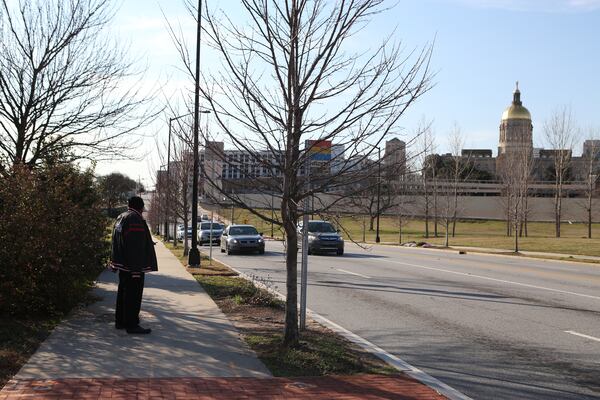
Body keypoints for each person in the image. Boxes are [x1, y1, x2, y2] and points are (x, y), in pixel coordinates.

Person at [110, 196, 158, 334]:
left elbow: (118, 241)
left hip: (123, 265)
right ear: (141, 207)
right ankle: (132, 325)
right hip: (133, 266)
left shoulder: (121, 217)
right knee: (133, 296)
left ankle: (120, 322)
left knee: (123, 294)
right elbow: (134, 246)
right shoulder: (135, 219)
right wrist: (136, 269)